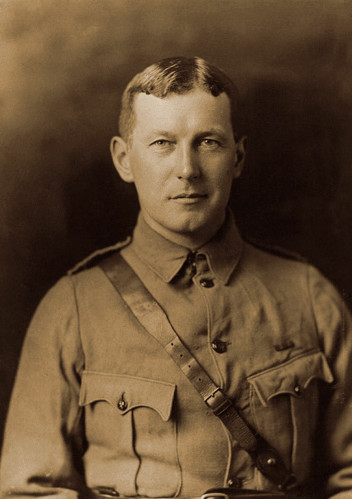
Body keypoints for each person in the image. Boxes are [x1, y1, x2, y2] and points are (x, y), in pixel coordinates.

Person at [1, 56, 352, 499]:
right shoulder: (70, 307)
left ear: (238, 157)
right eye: (163, 143)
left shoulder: (308, 294)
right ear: (124, 160)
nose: (187, 168)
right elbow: (29, 490)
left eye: (207, 142)